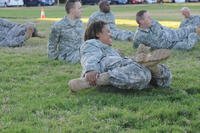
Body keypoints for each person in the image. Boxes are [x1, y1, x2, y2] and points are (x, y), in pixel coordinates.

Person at [68, 21, 172, 92]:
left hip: (118, 70)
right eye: (108, 31)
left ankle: (151, 66)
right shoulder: (91, 43)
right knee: (142, 73)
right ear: (98, 33)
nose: (111, 34)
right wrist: (90, 69)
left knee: (166, 76)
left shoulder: (109, 49)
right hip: (104, 68)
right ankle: (94, 81)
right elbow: (89, 55)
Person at [133, 10, 200, 50]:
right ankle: (194, 34)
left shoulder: (153, 23)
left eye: (150, 17)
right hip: (170, 45)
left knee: (192, 28)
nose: (151, 19)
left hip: (173, 35)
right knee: (187, 46)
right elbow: (136, 45)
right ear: (141, 21)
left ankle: (190, 18)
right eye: (148, 17)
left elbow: (164, 30)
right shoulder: (139, 36)